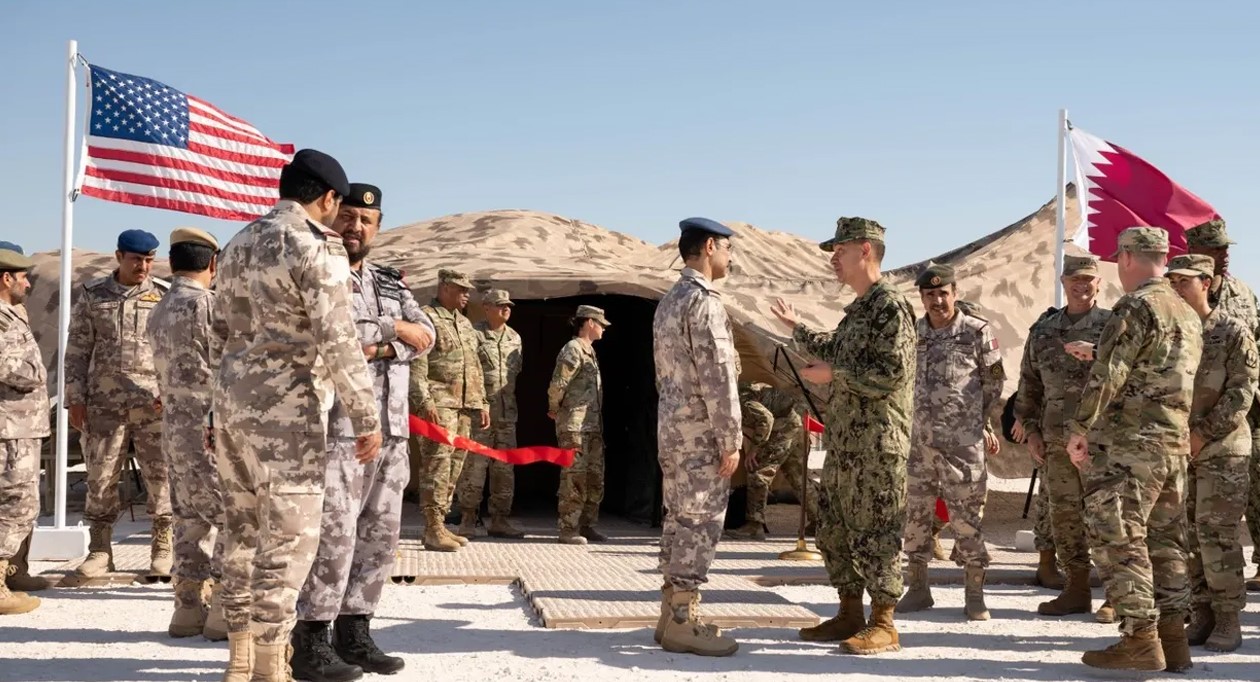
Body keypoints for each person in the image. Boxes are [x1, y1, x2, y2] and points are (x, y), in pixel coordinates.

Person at [211, 149, 382, 681]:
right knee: (288, 543)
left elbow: (218, 332)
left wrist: (218, 406)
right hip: (287, 413)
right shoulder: (316, 246)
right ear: (329, 198)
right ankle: (269, 667)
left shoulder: (238, 243)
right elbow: (338, 337)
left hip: (233, 409)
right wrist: (366, 415)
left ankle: (239, 659)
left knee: (240, 534)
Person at [290, 183, 435, 681]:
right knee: (335, 533)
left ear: (377, 226)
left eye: (366, 220)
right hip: (341, 431)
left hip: (392, 430)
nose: (356, 227)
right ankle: (311, 639)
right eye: (348, 217)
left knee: (380, 535)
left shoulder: (390, 281)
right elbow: (333, 336)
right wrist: (393, 332)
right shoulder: (320, 272)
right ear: (333, 216)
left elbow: (428, 334)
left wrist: (380, 344)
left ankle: (355, 631)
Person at [771, 216, 916, 655]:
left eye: (840, 250)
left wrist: (835, 374)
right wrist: (796, 329)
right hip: (846, 444)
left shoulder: (890, 306)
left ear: (865, 250)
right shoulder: (860, 310)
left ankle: (884, 623)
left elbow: (892, 373)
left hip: (877, 445)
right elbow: (835, 349)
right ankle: (850, 612)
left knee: (877, 531)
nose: (834, 259)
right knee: (834, 530)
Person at [1065, 227, 1201, 673]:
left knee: (1119, 537)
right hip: (1172, 447)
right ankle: (1173, 641)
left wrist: (1080, 428)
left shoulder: (1136, 305)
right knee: (1167, 543)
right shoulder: (1186, 310)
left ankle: (1141, 638)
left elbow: (1111, 373)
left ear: (1126, 257)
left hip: (1131, 447)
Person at [652, 217, 740, 656]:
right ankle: (684, 621)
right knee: (700, 521)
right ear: (709, 247)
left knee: (677, 518)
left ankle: (669, 614)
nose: (730, 257)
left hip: (673, 430)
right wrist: (731, 438)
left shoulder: (670, 301)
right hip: (701, 434)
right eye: (727, 248)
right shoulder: (704, 304)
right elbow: (718, 378)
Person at [64, 229, 172, 581]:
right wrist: (75, 398)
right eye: (136, 259)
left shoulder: (163, 296)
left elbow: (174, 351)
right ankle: (100, 550)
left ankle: (162, 548)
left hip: (153, 405)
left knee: (161, 475)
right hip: (104, 406)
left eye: (149, 260)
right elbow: (77, 350)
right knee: (100, 476)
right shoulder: (93, 295)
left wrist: (172, 394)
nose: (143, 266)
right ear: (119, 257)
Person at [897, 264, 1003, 621]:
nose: (937, 300)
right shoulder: (913, 332)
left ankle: (974, 594)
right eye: (930, 295)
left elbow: (994, 382)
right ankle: (917, 588)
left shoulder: (976, 332)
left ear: (955, 293)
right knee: (916, 516)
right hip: (919, 445)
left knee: (966, 518)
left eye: (943, 293)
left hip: (962, 444)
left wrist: (975, 421)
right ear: (922, 298)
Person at [1013, 255, 1115, 621]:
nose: (1081, 285)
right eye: (1074, 278)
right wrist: (1031, 431)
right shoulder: (1044, 331)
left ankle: (1115, 594)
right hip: (1056, 442)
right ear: (1063, 281)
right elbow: (1029, 384)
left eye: (1088, 278)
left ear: (1099, 283)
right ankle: (1076, 589)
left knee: (1106, 517)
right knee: (1065, 517)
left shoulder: (1113, 327)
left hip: (1100, 443)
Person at [1166, 253, 1256, 653]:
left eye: (1184, 281)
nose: (1177, 288)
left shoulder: (1233, 331)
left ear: (1206, 283)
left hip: (1223, 448)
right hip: (1180, 449)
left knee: (1217, 533)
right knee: (1188, 534)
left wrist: (1201, 435)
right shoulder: (1173, 333)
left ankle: (1228, 616)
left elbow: (1241, 394)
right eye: (1173, 282)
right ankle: (1201, 611)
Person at [146, 227, 228, 640]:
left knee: (189, 520)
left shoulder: (158, 309)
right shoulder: (208, 306)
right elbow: (229, 368)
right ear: (212, 263)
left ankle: (187, 608)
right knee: (232, 517)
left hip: (176, 431)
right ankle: (224, 612)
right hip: (212, 431)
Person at [1184, 219, 1260, 593]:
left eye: (1225, 248)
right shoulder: (1179, 293)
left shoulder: (1242, 293)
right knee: (1190, 513)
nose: (1224, 254)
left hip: (1242, 411)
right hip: (1191, 415)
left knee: (1252, 490)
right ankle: (1198, 594)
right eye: (1216, 248)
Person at [409, 269, 487, 552]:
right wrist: (424, 402)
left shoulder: (465, 324)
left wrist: (482, 403)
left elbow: (475, 366)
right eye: (460, 288)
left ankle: (440, 524)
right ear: (444, 287)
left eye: (468, 290)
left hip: (464, 406)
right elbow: (416, 364)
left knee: (455, 466)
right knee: (437, 465)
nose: (466, 294)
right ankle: (432, 528)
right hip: (439, 404)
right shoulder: (425, 317)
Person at [0, 245, 47, 615]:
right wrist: (37, 372)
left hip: (21, 425)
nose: (28, 284)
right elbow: (10, 367)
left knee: (22, 502)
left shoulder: (13, 314)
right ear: (6, 278)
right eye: (22, 277)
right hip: (10, 427)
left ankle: (13, 571)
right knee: (14, 504)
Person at [457, 289, 525, 539]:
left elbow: (514, 374)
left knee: (504, 470)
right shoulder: (473, 334)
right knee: (475, 467)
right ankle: (468, 518)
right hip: (479, 414)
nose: (506, 309)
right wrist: (478, 404)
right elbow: (468, 373)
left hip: (507, 414)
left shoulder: (515, 338)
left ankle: (500, 519)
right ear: (486, 307)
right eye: (500, 305)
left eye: (508, 305)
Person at [549, 305, 609, 546]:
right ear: (590, 323)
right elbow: (558, 383)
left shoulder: (590, 351)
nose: (604, 328)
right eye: (601, 324)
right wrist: (554, 408)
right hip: (574, 426)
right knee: (574, 477)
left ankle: (587, 524)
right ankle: (568, 528)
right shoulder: (573, 349)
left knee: (595, 477)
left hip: (592, 425)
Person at [726, 382, 818, 540]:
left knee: (758, 473)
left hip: (784, 426)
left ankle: (754, 525)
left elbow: (766, 419)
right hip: (795, 424)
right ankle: (819, 522)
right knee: (797, 476)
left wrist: (754, 449)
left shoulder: (740, 399)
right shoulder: (740, 393)